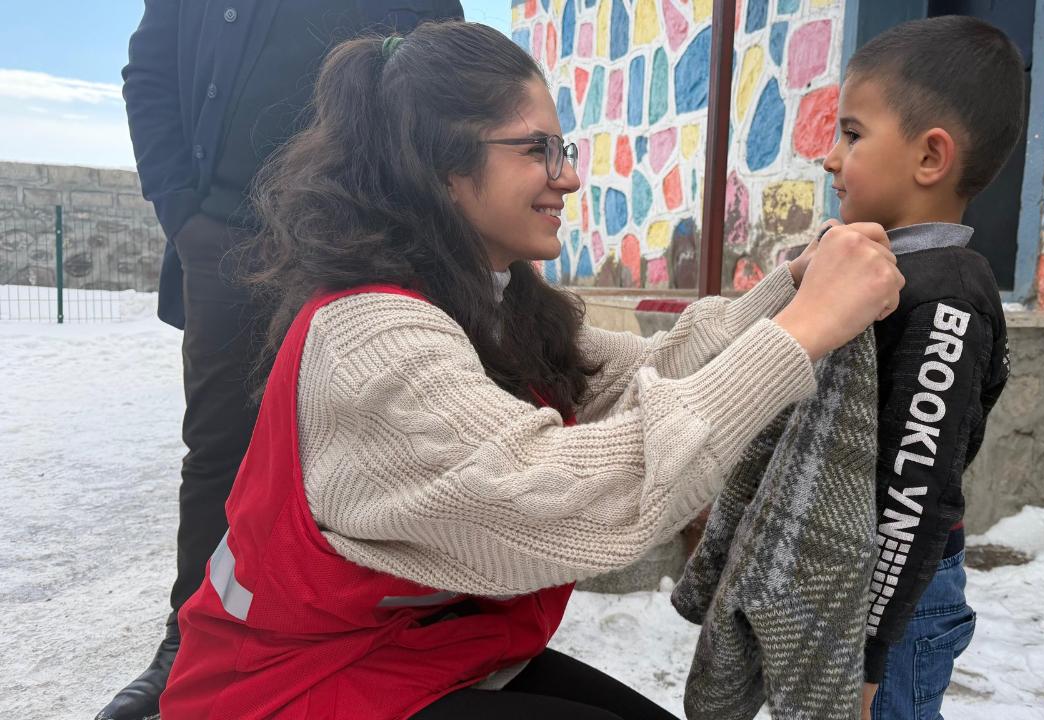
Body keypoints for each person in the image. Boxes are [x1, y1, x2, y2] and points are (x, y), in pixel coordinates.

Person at [156, 20, 902, 720]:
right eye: (536, 150)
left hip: (419, 655)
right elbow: (564, 494)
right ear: (442, 167)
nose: (568, 178)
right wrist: (803, 335)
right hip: (294, 691)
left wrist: (792, 292)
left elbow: (652, 372)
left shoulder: (489, 299)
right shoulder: (373, 342)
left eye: (564, 148)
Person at [105, 3, 465, 719]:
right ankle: (191, 639)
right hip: (228, 235)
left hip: (367, 234)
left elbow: (443, 75)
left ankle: (362, 637)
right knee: (220, 447)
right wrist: (184, 212)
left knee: (380, 436)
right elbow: (147, 74)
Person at [818, 16, 1024, 720]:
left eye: (851, 133)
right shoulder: (886, 269)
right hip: (860, 577)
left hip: (897, 601)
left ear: (930, 158)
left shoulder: (944, 297)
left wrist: (873, 646)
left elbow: (914, 494)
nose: (829, 157)